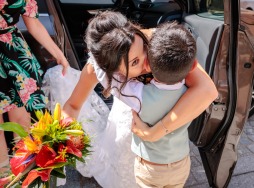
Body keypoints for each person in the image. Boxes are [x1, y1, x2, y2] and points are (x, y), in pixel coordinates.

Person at [45, 11, 217, 188]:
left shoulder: (161, 43)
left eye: (145, 49)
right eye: (134, 62)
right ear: (114, 71)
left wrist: (156, 132)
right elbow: (73, 106)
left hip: (166, 130)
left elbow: (207, 90)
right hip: (129, 123)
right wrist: (53, 142)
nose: (147, 63)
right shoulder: (98, 69)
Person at [95, 21, 197, 187]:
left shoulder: (139, 95)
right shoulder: (190, 95)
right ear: (193, 66)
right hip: (181, 164)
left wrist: (99, 58)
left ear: (149, 63)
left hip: (151, 168)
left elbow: (112, 82)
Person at [0, 0, 69, 174]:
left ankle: (23, 176)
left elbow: (33, 22)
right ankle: (5, 177)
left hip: (12, 53)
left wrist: (58, 54)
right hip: (10, 54)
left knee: (21, 121)